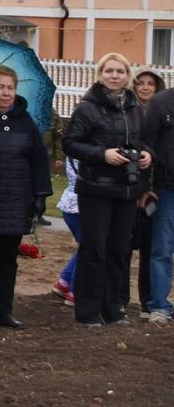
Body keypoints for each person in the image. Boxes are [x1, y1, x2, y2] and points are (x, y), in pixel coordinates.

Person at [64, 53, 152, 326]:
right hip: (96, 189)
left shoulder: (134, 108)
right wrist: (103, 154)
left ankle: (112, 308)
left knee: (118, 251)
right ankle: (88, 312)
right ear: (100, 74)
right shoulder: (87, 107)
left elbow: (142, 141)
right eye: (109, 71)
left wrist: (148, 155)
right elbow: (70, 143)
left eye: (120, 71)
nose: (115, 76)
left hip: (127, 190)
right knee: (94, 251)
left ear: (128, 76)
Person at [0, 64, 51, 328]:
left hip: (15, 200)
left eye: (11, 88)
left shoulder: (26, 122)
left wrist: (40, 194)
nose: (6, 93)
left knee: (8, 261)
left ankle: (4, 311)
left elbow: (39, 160)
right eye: (0, 87)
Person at [127, 68, 166, 312]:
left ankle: (148, 299)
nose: (145, 87)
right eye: (140, 83)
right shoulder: (129, 114)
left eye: (150, 84)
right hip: (130, 191)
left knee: (150, 245)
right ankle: (119, 297)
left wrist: (149, 188)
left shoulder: (161, 113)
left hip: (153, 192)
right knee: (125, 245)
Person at [145, 76, 174, 322]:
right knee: (162, 249)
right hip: (166, 189)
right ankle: (159, 306)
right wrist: (147, 185)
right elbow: (147, 146)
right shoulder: (161, 103)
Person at [52, 157, 81, 307]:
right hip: (81, 204)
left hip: (70, 203)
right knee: (89, 248)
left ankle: (64, 281)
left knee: (85, 246)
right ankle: (75, 291)